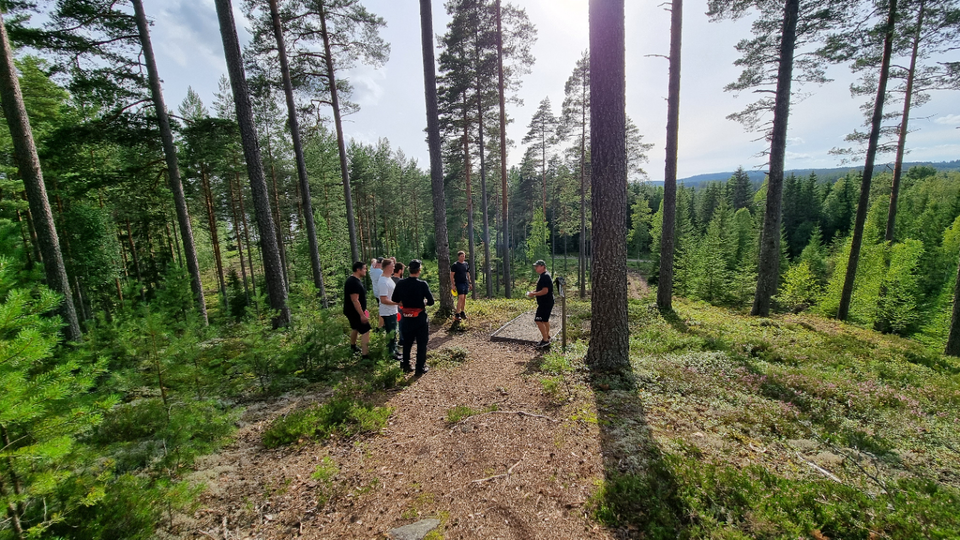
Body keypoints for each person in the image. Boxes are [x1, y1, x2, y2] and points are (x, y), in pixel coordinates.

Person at [392, 259, 435, 375]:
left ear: (409, 270)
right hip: (420, 318)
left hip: (406, 317)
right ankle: (419, 368)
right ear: (419, 270)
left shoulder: (401, 283)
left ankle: (405, 365)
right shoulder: (422, 284)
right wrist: (424, 302)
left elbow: (394, 299)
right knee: (421, 343)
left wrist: (403, 304)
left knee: (407, 343)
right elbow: (431, 301)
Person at [344, 261, 371, 358]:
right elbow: (355, 300)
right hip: (354, 312)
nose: (366, 271)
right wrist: (362, 315)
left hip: (353, 311)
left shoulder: (354, 280)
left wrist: (364, 310)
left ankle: (353, 347)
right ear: (358, 269)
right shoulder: (353, 282)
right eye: (364, 269)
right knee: (366, 330)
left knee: (355, 328)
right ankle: (365, 355)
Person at [526, 260, 554, 348]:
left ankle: (545, 340)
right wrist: (533, 292)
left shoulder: (545, 276)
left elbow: (545, 291)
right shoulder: (543, 275)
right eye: (535, 266)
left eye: (537, 266)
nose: (535, 268)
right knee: (545, 320)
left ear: (542, 266)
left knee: (538, 320)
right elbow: (541, 289)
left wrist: (533, 294)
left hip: (545, 303)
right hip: (547, 302)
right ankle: (547, 336)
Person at [378, 259, 400, 361]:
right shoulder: (383, 281)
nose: (394, 268)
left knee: (394, 331)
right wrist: (397, 303)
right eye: (392, 266)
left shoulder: (389, 278)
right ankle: (391, 353)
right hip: (387, 311)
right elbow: (383, 299)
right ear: (387, 267)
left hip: (393, 310)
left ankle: (394, 349)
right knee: (391, 332)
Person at [450, 251, 473, 321]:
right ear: (458, 257)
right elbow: (451, 275)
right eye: (461, 256)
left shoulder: (466, 264)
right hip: (459, 283)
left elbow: (468, 273)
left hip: (465, 282)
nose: (463, 257)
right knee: (461, 297)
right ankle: (457, 314)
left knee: (464, 298)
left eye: (464, 256)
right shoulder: (455, 265)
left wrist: (470, 282)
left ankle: (462, 312)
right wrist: (453, 285)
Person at [369, 258, 383, 328]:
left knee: (381, 309)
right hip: (381, 294)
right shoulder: (380, 272)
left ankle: (381, 325)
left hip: (376, 293)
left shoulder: (372, 269)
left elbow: (373, 260)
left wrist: (374, 262)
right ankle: (381, 326)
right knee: (383, 310)